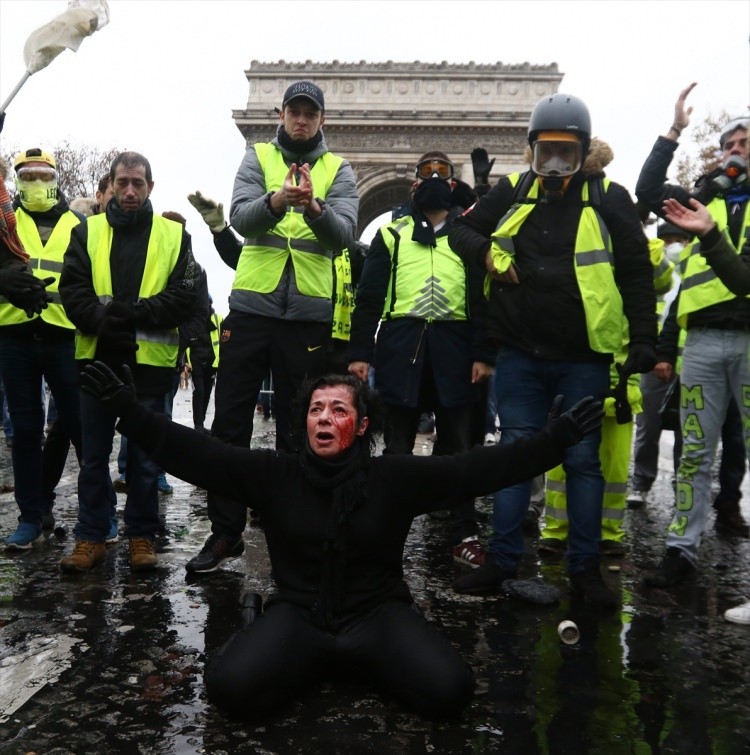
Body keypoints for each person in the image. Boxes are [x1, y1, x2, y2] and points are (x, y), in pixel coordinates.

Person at [78, 359, 603, 718]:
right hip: (300, 613)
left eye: (338, 410)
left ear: (362, 423)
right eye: (315, 410)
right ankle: (274, 629)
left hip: (377, 614)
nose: (324, 419)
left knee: (450, 693)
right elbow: (197, 453)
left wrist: (555, 439)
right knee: (231, 691)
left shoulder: (392, 477)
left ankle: (354, 656)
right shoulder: (274, 474)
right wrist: (131, 410)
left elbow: (476, 470)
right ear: (304, 421)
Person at [448, 93, 657, 608]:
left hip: (585, 357)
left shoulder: (610, 197)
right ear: (531, 152)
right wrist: (490, 258)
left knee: (583, 462)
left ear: (583, 151)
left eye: (566, 152)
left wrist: (646, 341)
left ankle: (585, 571)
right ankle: (501, 562)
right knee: (516, 455)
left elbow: (635, 275)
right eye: (546, 153)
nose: (556, 165)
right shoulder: (513, 190)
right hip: (520, 353)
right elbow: (461, 232)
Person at [186, 80, 359, 574]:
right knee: (230, 424)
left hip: (306, 317)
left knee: (297, 428)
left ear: (322, 120)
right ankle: (226, 532)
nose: (302, 120)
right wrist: (280, 201)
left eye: (311, 113)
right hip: (252, 310)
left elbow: (346, 234)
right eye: (295, 112)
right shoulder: (257, 157)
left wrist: (314, 207)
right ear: (280, 114)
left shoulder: (339, 169)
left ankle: (292, 529)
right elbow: (242, 219)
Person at [348, 151, 495, 568]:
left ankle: (463, 530)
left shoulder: (469, 237)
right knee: (396, 445)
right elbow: (370, 297)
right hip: (401, 346)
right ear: (414, 184)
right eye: (426, 172)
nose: (433, 177)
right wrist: (360, 353)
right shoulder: (391, 235)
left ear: (452, 185)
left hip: (456, 348)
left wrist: (484, 353)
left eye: (442, 172)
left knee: (458, 449)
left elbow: (482, 299)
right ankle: (385, 526)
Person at [58, 151, 199, 572]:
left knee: (144, 459)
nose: (130, 190)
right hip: (97, 359)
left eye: (138, 183)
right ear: (112, 185)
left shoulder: (175, 237)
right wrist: (103, 320)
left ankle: (141, 536)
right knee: (94, 457)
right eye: (123, 182)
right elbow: (72, 290)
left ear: (150, 186)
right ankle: (90, 537)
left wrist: (132, 313)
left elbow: (185, 294)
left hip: (149, 365)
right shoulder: (87, 232)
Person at [636, 84, 749, 588]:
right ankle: (681, 552)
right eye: (730, 144)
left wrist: (710, 234)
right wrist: (674, 130)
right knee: (695, 452)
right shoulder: (707, 199)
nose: (735, 151)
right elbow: (647, 190)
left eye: (746, 143)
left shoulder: (710, 220)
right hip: (701, 342)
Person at [0, 147, 85, 550]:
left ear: (55, 179)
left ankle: (95, 514)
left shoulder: (77, 223)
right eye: (27, 176)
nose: (35, 183)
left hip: (63, 336)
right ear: (16, 180)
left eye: (42, 176)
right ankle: (30, 517)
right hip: (13, 333)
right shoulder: (4, 220)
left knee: (80, 427)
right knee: (26, 430)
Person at [627, 220, 686, 508]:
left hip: (680, 357)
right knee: (654, 426)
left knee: (677, 429)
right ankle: (645, 482)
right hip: (659, 356)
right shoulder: (657, 265)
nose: (674, 246)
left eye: (678, 240)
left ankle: (671, 484)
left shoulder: (692, 264)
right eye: (670, 240)